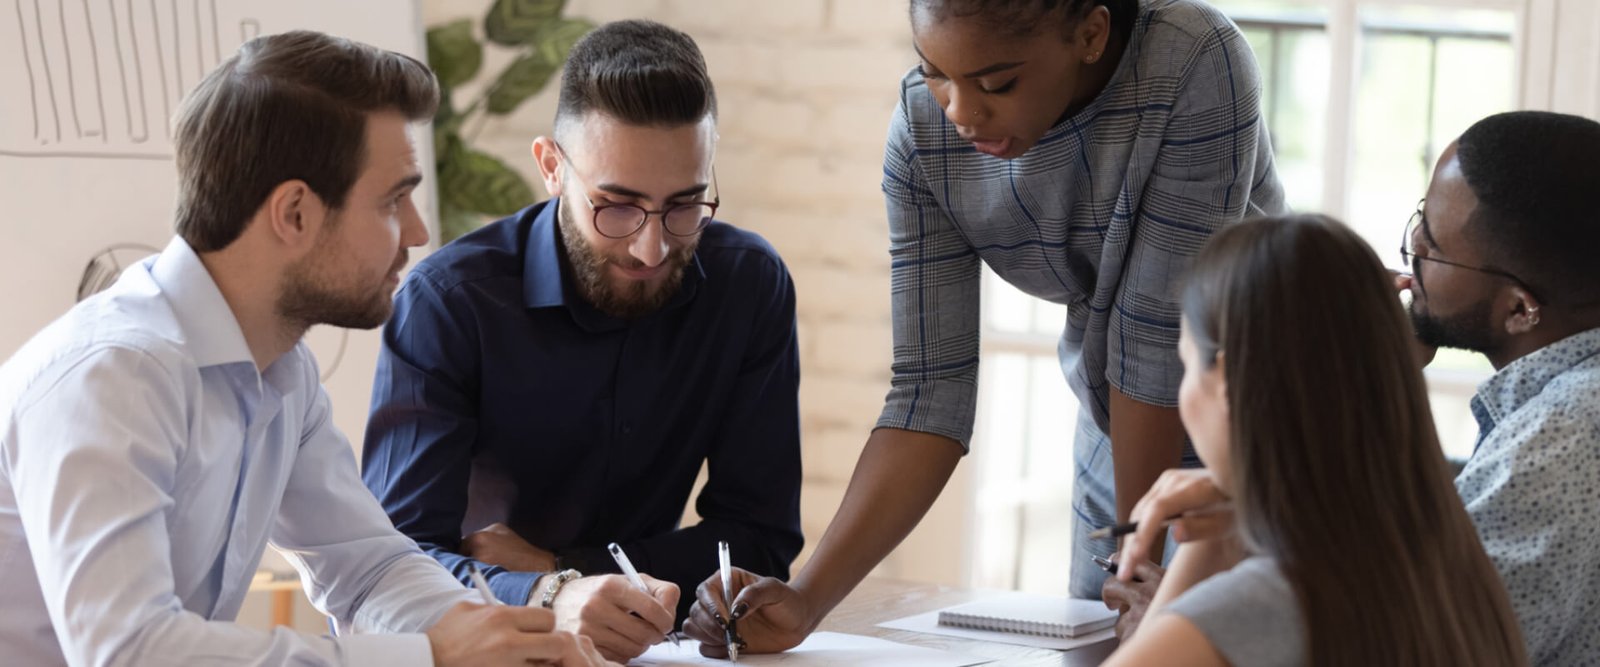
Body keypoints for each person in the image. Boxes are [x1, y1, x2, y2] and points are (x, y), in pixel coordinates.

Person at [686, 0, 1283, 654]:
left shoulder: (1192, 60)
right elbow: (928, 394)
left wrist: (1135, 566)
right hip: (1117, 420)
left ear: (1091, 33)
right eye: (933, 71)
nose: (961, 113)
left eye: (997, 83)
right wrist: (806, 599)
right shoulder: (924, 129)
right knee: (1118, 640)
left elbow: (1154, 351)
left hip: (1267, 425)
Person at [0, 31, 609, 667]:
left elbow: (369, 568)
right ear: (294, 213)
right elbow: (129, 651)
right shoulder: (115, 374)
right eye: (392, 200)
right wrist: (426, 657)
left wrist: (515, 643)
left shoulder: (280, 372)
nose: (419, 231)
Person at [361, 19, 802, 662]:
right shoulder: (450, 303)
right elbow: (394, 564)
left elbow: (760, 540)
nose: (651, 247)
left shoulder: (749, 285)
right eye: (615, 206)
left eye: (685, 206)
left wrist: (558, 571)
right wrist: (547, 594)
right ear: (551, 167)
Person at [1102, 214, 1525, 666]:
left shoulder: (1259, 606)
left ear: (1228, 381)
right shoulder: (1455, 574)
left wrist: (1198, 557)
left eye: (1186, 365)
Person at [1393, 110, 1600, 665]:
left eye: (1433, 244)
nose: (1412, 246)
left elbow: (1411, 650)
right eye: (1420, 218)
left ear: (1518, 308)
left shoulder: (1557, 444)